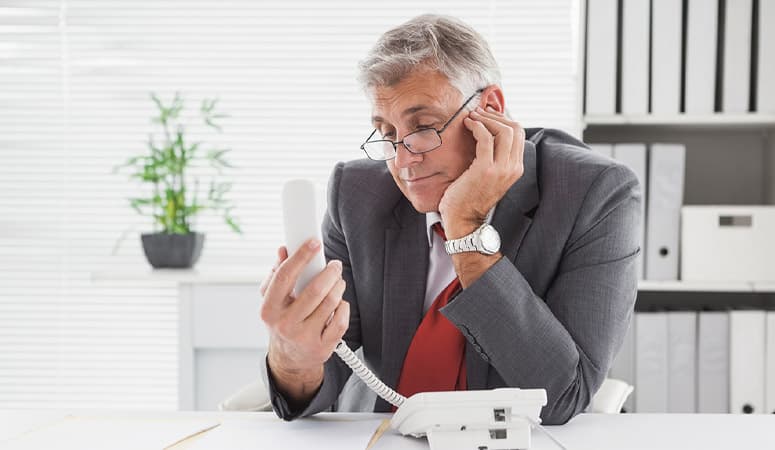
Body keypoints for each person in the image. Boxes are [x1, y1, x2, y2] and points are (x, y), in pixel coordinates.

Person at [258, 14, 641, 425]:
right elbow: (331, 368)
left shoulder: (596, 194)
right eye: (387, 134)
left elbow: (563, 395)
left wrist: (467, 228)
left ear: (490, 109)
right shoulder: (356, 194)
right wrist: (292, 358)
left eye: (423, 127)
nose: (403, 161)